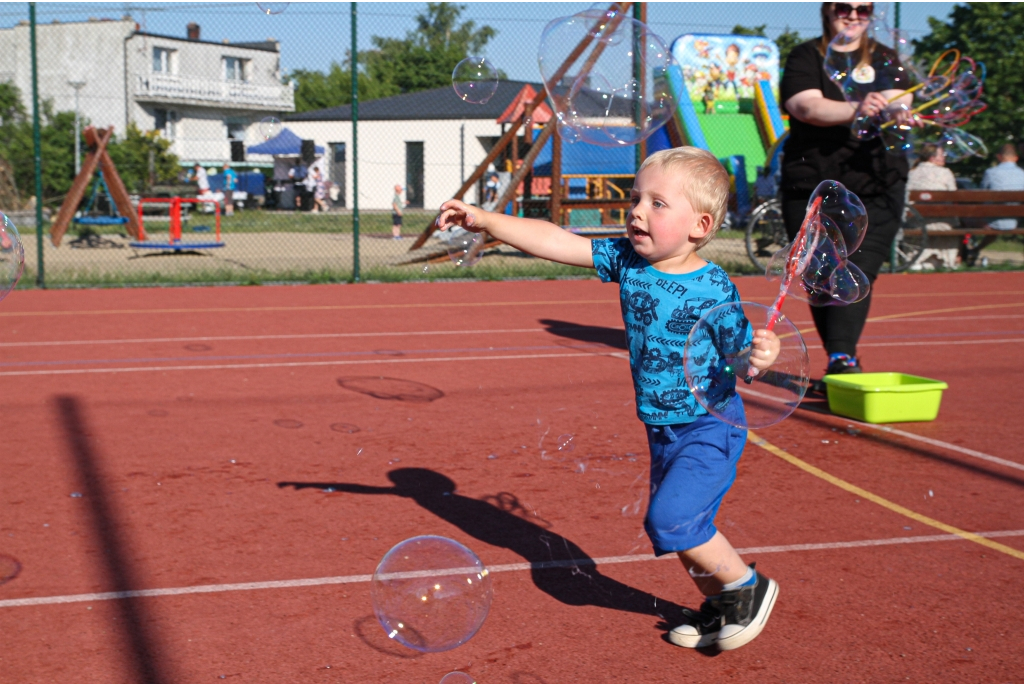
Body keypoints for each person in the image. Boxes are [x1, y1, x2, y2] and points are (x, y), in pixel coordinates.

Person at [436, 146, 782, 651]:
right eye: (637, 197)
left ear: (700, 225)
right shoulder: (628, 262)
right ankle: (722, 606)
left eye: (657, 203)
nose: (637, 210)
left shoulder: (714, 287)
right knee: (679, 533)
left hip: (710, 425)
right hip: (661, 428)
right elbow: (558, 241)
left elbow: (741, 355)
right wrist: (486, 218)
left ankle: (749, 589)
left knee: (671, 519)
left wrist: (761, 352)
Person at [780, 2, 914, 380]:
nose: (854, 15)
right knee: (819, 273)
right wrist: (857, 107)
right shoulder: (807, 55)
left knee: (859, 268)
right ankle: (840, 356)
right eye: (845, 7)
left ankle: (842, 357)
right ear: (827, 10)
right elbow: (804, 105)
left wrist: (896, 109)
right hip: (812, 182)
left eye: (864, 8)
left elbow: (902, 98)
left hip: (876, 181)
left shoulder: (886, 57)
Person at [906, 143, 958, 270]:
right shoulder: (945, 173)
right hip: (943, 222)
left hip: (917, 221)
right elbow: (954, 197)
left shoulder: (912, 172)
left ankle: (917, 260)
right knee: (949, 222)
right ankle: (944, 261)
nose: (944, 157)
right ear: (932, 158)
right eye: (942, 155)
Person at [971, 143, 1024, 263]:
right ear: (1016, 158)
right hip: (1016, 221)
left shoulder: (991, 172)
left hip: (992, 222)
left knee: (963, 220)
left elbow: (981, 195)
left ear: (999, 157)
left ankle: (966, 254)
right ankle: (975, 250)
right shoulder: (1022, 174)